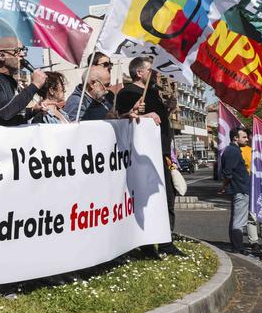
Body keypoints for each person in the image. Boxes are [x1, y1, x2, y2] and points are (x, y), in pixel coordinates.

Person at [116, 57, 181, 257]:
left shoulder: (153, 93)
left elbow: (157, 121)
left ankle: (165, 240)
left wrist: (167, 109)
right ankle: (147, 243)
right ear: (139, 73)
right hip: (143, 154)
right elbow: (123, 118)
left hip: (161, 152)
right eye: (150, 70)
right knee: (149, 198)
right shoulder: (127, 93)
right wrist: (140, 115)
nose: (154, 74)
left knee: (168, 197)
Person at [0, 36, 46, 126]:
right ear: (1, 55)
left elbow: (15, 115)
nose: (23, 54)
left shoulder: (11, 80)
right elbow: (6, 112)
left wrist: (33, 110)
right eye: (17, 51)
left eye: (23, 50)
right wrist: (34, 85)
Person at [220, 127, 252, 256]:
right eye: (244, 137)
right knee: (239, 221)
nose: (247, 139)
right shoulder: (233, 151)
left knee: (236, 219)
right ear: (235, 138)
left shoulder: (233, 150)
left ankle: (236, 247)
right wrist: (224, 186)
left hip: (239, 188)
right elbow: (227, 172)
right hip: (239, 189)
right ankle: (239, 249)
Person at [63, 53, 114, 121]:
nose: (108, 89)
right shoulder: (76, 103)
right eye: (106, 85)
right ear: (92, 84)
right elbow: (78, 128)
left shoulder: (102, 97)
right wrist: (106, 119)